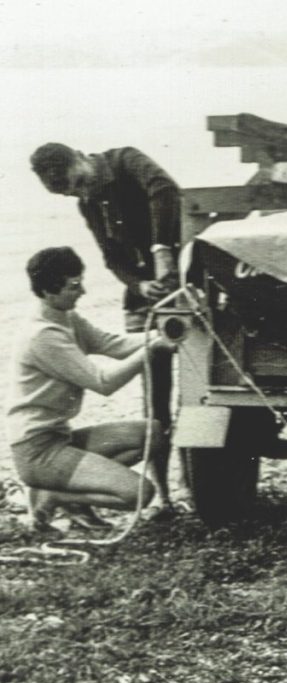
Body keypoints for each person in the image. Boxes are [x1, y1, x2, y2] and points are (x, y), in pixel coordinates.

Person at [29, 142, 180, 511]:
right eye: (72, 193)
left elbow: (165, 189)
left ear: (81, 157)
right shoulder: (88, 204)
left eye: (78, 182)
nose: (82, 194)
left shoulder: (126, 161)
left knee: (199, 392)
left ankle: (196, 480)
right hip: (145, 298)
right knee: (155, 398)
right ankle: (166, 494)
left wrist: (163, 251)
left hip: (184, 281)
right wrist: (139, 284)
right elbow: (111, 258)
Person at [6, 247, 175, 537]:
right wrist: (152, 349)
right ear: (48, 290)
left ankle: (72, 497)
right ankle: (55, 497)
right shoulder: (43, 336)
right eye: (74, 286)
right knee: (139, 493)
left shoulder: (65, 316)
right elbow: (103, 382)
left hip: (60, 440)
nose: (82, 291)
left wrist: (167, 334)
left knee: (153, 433)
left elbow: (115, 345)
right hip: (38, 452)